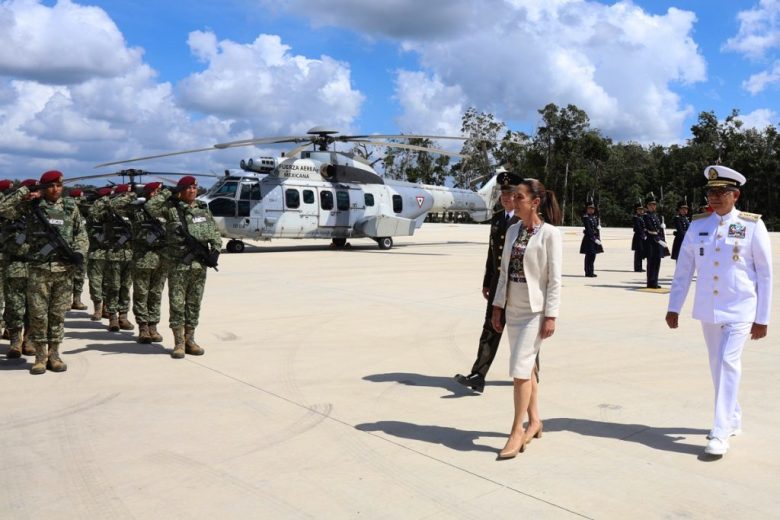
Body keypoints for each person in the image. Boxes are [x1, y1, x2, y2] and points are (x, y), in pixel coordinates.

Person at [666, 165, 772, 457]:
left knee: (727, 362)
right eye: (710, 192)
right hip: (709, 310)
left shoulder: (752, 225)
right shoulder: (699, 225)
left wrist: (762, 318)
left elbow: (765, 274)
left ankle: (720, 430)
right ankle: (733, 415)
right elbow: (684, 268)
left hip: (740, 308)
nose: (714, 197)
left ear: (735, 195)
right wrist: (674, 305)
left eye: (720, 192)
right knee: (717, 365)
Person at [491, 178, 562, 459]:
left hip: (535, 311)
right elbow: (504, 274)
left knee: (519, 370)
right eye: (513, 196)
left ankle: (516, 430)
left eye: (519, 197)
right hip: (513, 308)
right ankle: (534, 422)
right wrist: (498, 307)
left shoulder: (550, 234)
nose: (513, 200)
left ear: (534, 202)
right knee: (528, 368)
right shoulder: (512, 232)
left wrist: (551, 316)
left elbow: (554, 280)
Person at [0, 171, 88, 374]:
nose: (56, 189)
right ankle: (40, 357)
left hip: (64, 270)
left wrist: (79, 252)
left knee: (57, 315)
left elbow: (80, 233)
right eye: (50, 186)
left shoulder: (69, 206)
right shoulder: (32, 207)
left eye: (59, 185)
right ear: (42, 187)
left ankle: (54, 355)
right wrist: (25, 190)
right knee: (39, 315)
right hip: (39, 270)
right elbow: (3, 209)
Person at [455, 170, 520, 393]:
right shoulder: (497, 217)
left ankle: (530, 374)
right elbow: (492, 253)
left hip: (518, 286)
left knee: (521, 333)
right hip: (497, 285)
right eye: (503, 193)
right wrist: (486, 281)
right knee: (490, 329)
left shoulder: (524, 220)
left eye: (509, 193)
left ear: (518, 194)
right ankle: (478, 375)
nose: (505, 197)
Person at [146, 176, 221, 358]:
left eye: (194, 187)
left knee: (194, 304)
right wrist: (166, 192)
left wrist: (216, 251)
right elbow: (150, 207)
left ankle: (190, 340)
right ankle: (178, 343)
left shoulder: (203, 210)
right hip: (178, 264)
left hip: (199, 265)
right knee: (177, 304)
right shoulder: (171, 209)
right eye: (187, 188)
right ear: (181, 189)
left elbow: (214, 232)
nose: (192, 191)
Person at [131, 182, 168, 344]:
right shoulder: (140, 211)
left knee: (156, 293)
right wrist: (159, 236)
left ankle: (153, 325)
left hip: (162, 259)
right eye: (155, 191)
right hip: (143, 260)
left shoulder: (166, 211)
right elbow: (141, 235)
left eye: (160, 191)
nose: (158, 194)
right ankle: (143, 327)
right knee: (142, 293)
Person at [86, 187, 112, 321]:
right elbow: (91, 231)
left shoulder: (113, 213)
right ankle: (97, 308)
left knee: (108, 282)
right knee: (96, 281)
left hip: (111, 253)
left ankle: (106, 308)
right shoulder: (94, 213)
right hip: (97, 252)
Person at [68, 188, 89, 310]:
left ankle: (77, 300)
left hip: (80, 248)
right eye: (80, 199)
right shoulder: (68, 211)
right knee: (68, 276)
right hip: (68, 248)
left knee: (80, 275)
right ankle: (66, 301)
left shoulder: (81, 213)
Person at [642, 193, 668, 289]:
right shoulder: (646, 216)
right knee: (651, 263)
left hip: (658, 242)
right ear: (647, 206)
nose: (653, 206)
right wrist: (658, 237)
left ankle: (655, 281)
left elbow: (659, 229)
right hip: (651, 242)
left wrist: (662, 232)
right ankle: (650, 282)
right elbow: (650, 229)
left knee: (657, 262)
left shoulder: (656, 216)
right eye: (651, 205)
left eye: (654, 205)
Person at [579, 197, 603, 277]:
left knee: (593, 255)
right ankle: (588, 272)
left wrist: (598, 237)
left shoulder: (595, 217)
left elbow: (596, 229)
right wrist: (594, 238)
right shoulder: (586, 217)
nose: (591, 210)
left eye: (592, 208)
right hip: (589, 239)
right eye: (589, 208)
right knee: (589, 255)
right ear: (587, 209)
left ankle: (591, 271)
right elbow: (588, 229)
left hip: (595, 238)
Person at [631, 202, 646, 272]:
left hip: (642, 236)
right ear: (636, 210)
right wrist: (643, 233)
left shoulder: (642, 217)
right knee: (638, 252)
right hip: (638, 236)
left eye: (642, 209)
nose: (641, 211)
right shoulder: (636, 218)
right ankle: (637, 267)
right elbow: (638, 228)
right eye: (639, 209)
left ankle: (640, 266)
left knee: (641, 252)